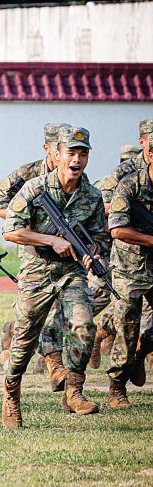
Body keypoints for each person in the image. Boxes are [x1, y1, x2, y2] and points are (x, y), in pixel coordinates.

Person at [0, 126, 107, 427]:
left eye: (83, 153)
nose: (77, 159)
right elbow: (10, 231)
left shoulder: (92, 195)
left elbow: (99, 236)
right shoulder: (34, 189)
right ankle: (11, 395)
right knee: (24, 341)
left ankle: (73, 391)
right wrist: (51, 240)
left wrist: (92, 251)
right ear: (57, 154)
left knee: (84, 325)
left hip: (72, 273)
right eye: (71, 152)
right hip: (37, 272)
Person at [0, 123, 71, 388]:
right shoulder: (25, 174)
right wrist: (31, 221)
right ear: (48, 148)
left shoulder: (73, 178)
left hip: (63, 252)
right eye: (58, 148)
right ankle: (51, 362)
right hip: (32, 249)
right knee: (40, 308)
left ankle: (48, 359)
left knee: (57, 307)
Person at [104, 121, 153, 408]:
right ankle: (117, 387)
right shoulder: (129, 183)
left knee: (140, 334)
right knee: (126, 325)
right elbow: (117, 228)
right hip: (129, 267)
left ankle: (141, 351)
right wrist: (150, 239)